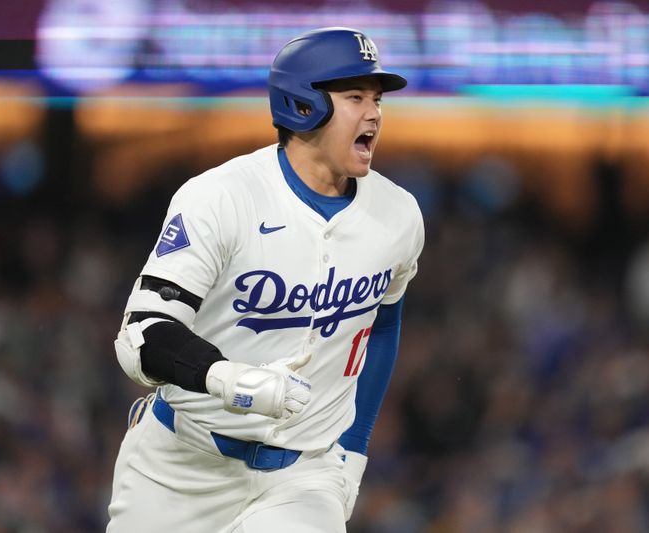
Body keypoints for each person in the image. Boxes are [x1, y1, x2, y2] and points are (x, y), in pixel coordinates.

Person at [106, 26, 424, 532]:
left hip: (301, 478)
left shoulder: (397, 215)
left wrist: (355, 448)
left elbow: (383, 322)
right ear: (303, 106)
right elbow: (140, 335)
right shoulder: (221, 197)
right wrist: (226, 378)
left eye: (378, 98)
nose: (375, 113)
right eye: (355, 96)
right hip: (179, 467)